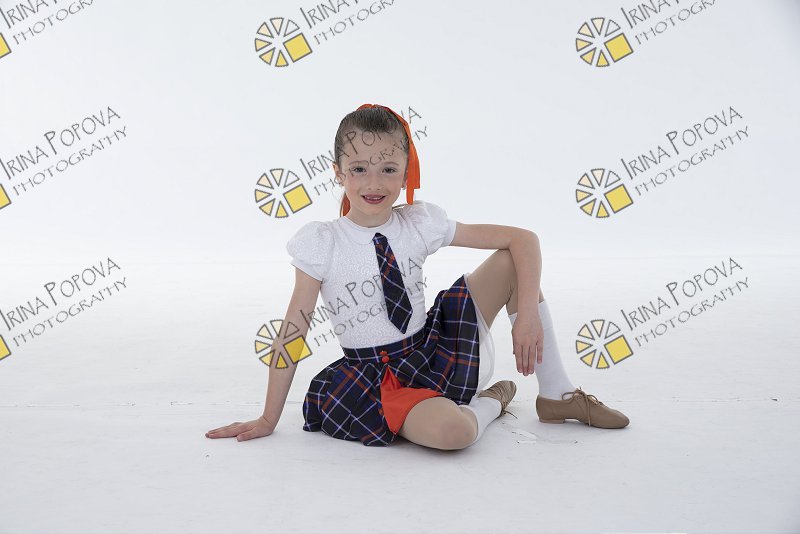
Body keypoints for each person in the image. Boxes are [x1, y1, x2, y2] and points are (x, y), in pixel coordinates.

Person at [206, 104, 629, 450]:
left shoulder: (417, 223)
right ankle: (490, 402)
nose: (374, 183)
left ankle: (556, 395)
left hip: (433, 347)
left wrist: (528, 316)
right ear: (338, 171)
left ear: (407, 171)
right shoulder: (323, 242)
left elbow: (524, 240)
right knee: (455, 434)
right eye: (359, 169)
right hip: (378, 377)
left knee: (509, 261)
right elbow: (293, 331)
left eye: (389, 169)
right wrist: (268, 417)